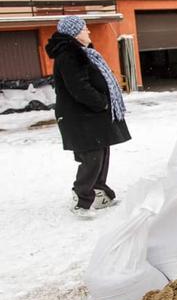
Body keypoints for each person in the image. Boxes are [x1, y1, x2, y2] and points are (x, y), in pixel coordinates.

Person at [45, 16, 131, 218]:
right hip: (80, 117)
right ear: (74, 33)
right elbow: (79, 87)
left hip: (92, 115)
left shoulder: (84, 52)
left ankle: (100, 193)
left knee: (102, 151)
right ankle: (81, 199)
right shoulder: (69, 55)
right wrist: (102, 101)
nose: (88, 32)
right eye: (84, 29)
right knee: (92, 157)